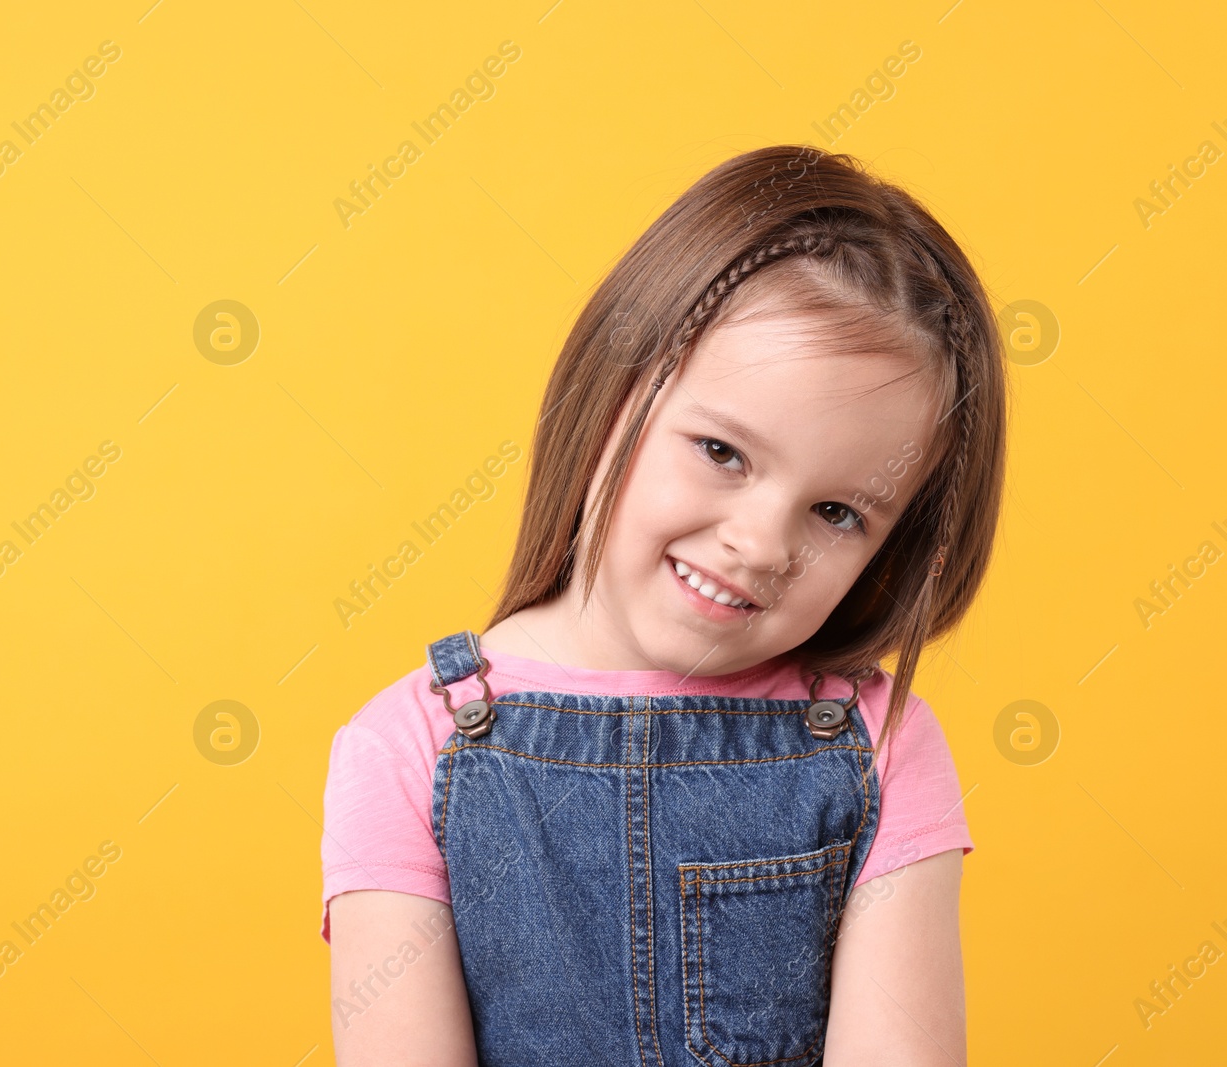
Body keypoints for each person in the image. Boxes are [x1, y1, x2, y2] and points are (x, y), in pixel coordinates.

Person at [321, 143, 1006, 1066]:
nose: (763, 544)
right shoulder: (405, 748)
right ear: (613, 392)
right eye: (722, 451)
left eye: (838, 511)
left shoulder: (882, 751)